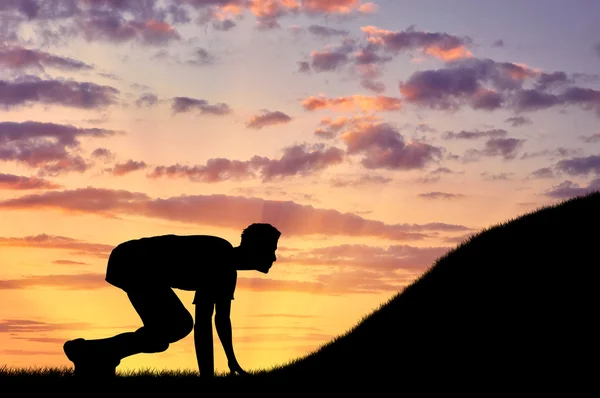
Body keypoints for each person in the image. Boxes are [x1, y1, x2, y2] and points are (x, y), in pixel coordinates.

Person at [63, 223, 281, 378]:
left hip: (137, 266)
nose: (274, 258)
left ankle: (95, 354)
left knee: (161, 338)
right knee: (179, 326)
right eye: (271, 250)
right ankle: (93, 353)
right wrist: (208, 378)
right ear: (256, 250)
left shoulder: (228, 273)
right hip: (130, 261)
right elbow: (203, 325)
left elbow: (222, 320)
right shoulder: (219, 255)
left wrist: (231, 360)